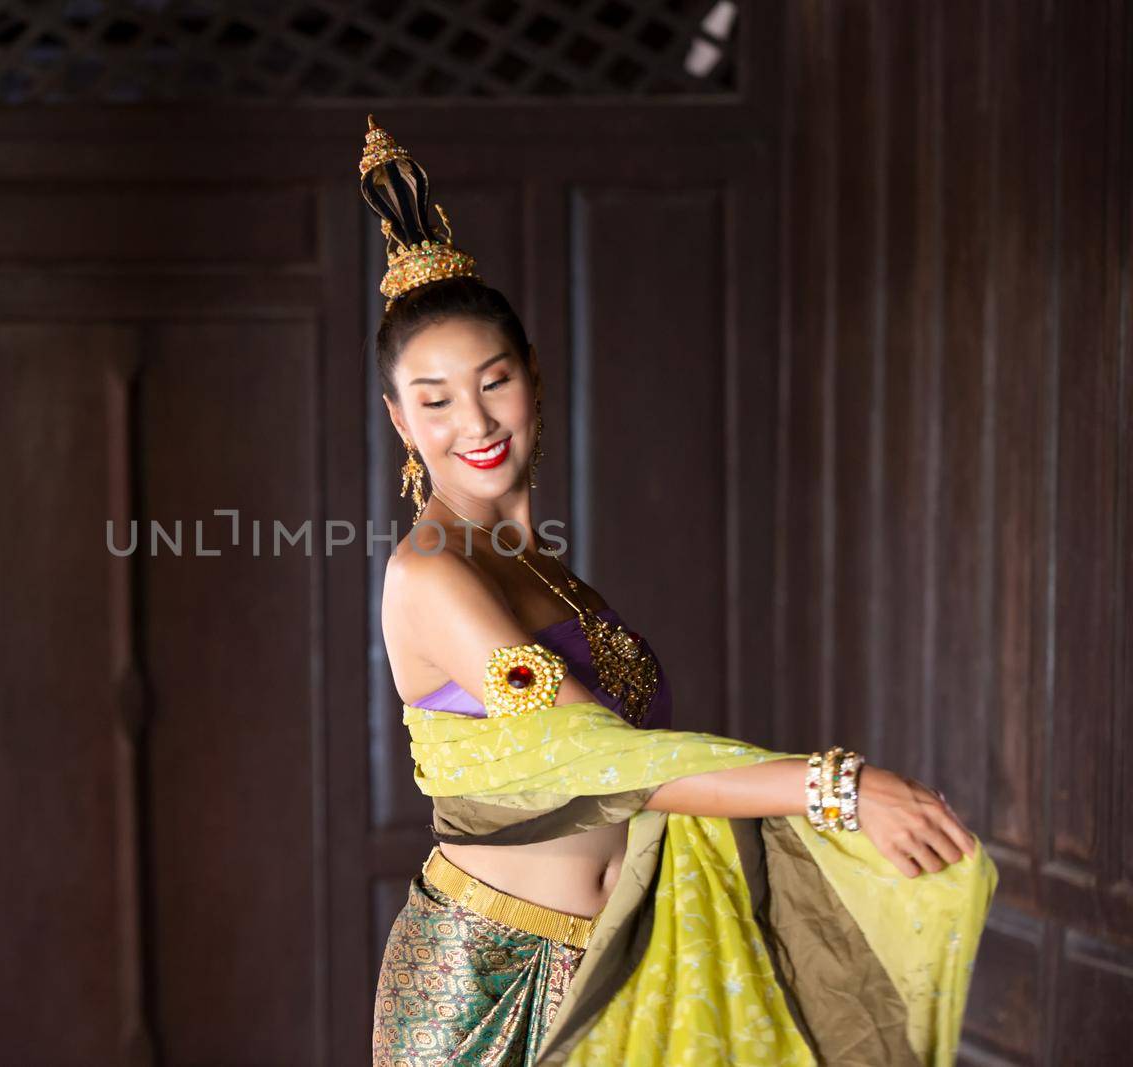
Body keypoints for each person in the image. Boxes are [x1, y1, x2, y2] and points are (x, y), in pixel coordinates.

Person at [360, 115, 997, 1066]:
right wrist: (836, 786)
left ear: (532, 379)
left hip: (621, 956)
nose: (474, 420)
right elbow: (607, 764)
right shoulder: (429, 576)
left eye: (493, 382)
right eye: (435, 398)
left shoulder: (549, 572)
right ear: (400, 419)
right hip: (487, 979)